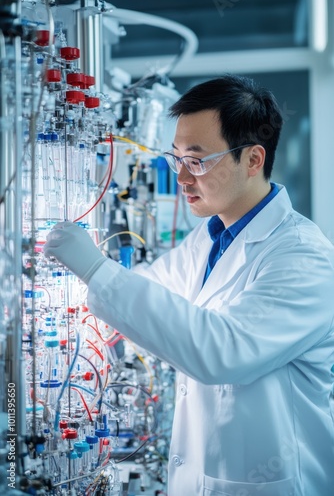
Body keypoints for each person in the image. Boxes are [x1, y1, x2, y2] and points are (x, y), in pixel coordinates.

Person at [44, 74, 334, 496]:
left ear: (253, 160)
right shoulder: (211, 237)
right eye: (175, 157)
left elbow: (222, 351)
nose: (180, 178)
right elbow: (152, 290)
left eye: (197, 161)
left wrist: (95, 269)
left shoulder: (304, 257)